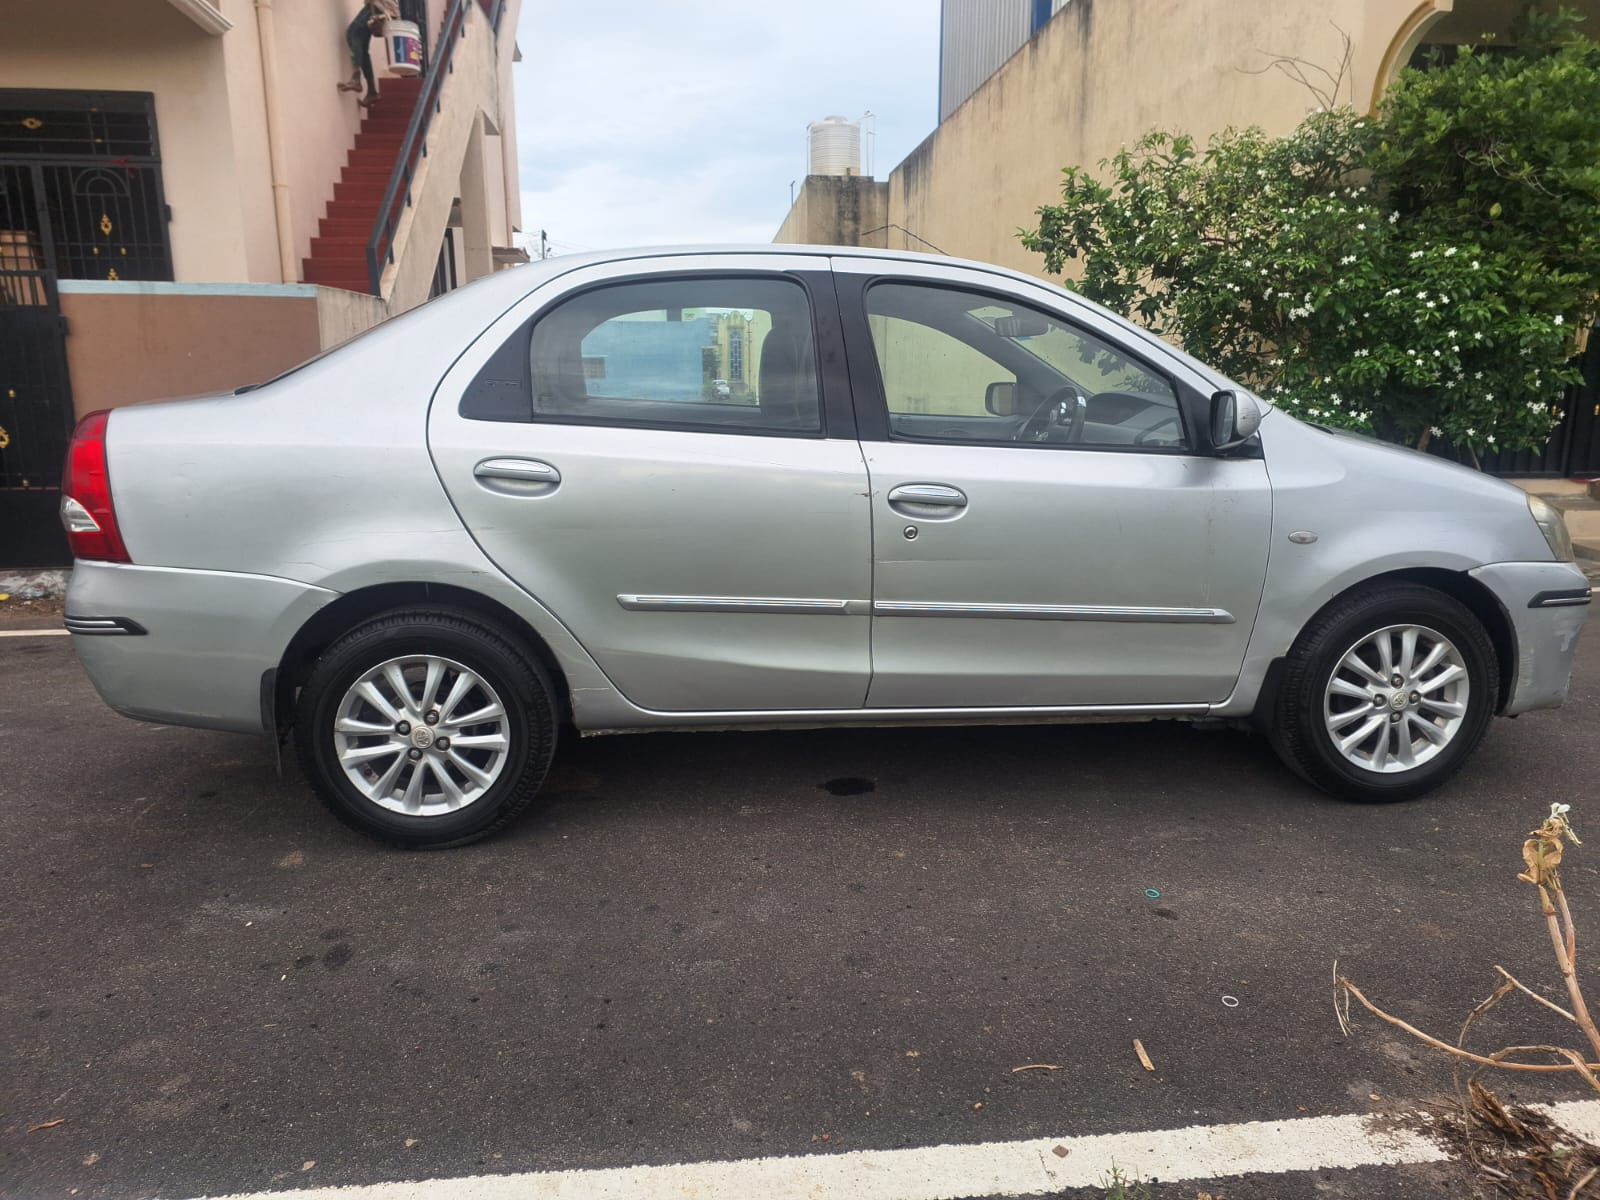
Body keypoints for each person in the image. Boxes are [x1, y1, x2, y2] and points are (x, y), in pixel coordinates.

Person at [337, 0, 400, 107]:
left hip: (378, 7)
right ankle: (371, 91)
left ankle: (356, 78)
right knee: (363, 48)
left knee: (353, 33)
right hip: (384, 9)